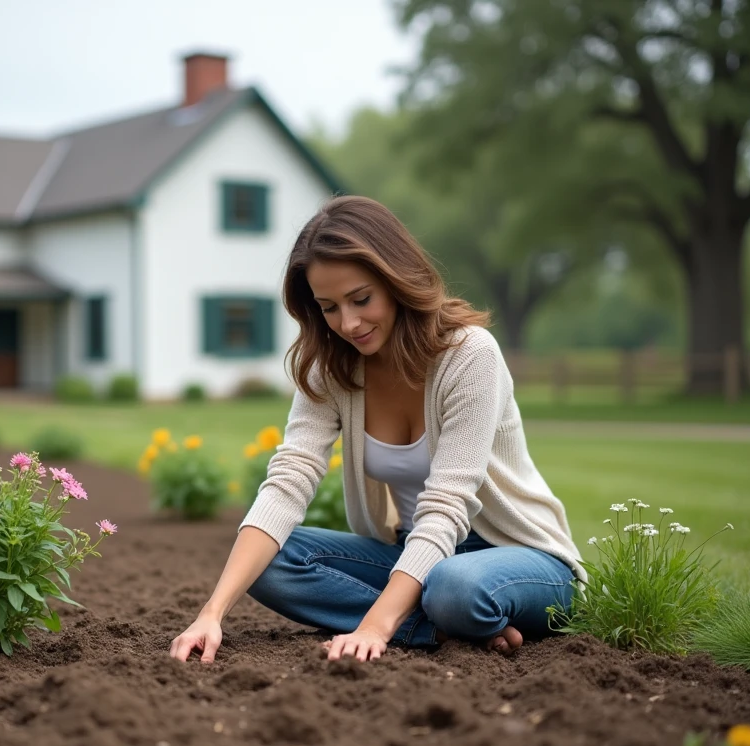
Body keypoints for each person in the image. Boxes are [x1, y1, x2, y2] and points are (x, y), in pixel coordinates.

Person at [169, 196, 584, 664]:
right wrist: (213, 613)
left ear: (396, 278)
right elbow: (288, 480)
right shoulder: (331, 368)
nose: (348, 323)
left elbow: (448, 507)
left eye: (361, 299)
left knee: (455, 588)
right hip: (414, 555)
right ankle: (442, 631)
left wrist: (372, 629)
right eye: (328, 307)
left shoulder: (469, 355)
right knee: (269, 561)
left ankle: (441, 618)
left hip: (516, 557)